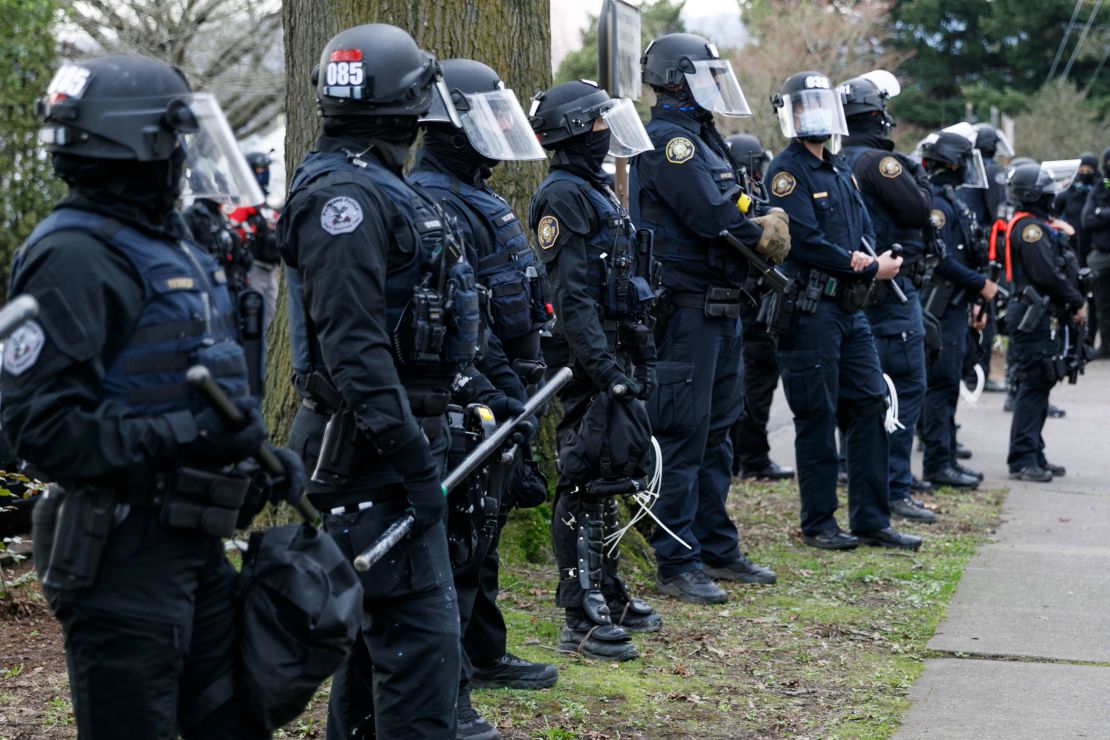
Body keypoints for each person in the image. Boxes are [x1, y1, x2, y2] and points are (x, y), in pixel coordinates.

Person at [2, 54, 304, 739]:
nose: (182, 157)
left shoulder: (168, 244)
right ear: (139, 143)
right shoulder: (74, 257)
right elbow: (40, 431)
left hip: (192, 544)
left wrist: (256, 456)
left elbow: (189, 379)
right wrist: (189, 434)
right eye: (175, 140)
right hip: (120, 558)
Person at [279, 24, 478, 737]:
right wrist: (415, 464)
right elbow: (356, 352)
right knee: (419, 653)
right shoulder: (347, 198)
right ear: (405, 104)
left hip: (382, 452)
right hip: (365, 459)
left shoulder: (370, 183)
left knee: (375, 655)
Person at [409, 58, 557, 739]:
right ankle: (454, 681)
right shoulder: (432, 199)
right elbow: (463, 315)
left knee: (486, 524)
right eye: (486, 121)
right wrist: (489, 388)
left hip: (510, 378)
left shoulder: (473, 192)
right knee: (462, 536)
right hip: (473, 387)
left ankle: (484, 651)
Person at [631, 33, 783, 605]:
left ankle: (716, 545)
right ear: (680, 79)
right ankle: (676, 558)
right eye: (707, 77)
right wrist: (760, 233)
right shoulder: (668, 141)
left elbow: (734, 201)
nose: (717, 88)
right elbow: (710, 214)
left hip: (722, 306)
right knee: (684, 433)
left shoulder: (704, 141)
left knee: (719, 431)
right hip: (686, 308)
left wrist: (760, 215)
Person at [529, 79, 662, 659]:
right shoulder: (562, 194)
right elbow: (572, 296)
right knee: (582, 472)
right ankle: (578, 610)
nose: (607, 133)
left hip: (611, 346)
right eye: (599, 124)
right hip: (586, 355)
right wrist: (604, 367)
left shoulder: (594, 190)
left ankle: (606, 586)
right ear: (576, 131)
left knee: (610, 470)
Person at [765, 70, 920, 552]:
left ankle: (872, 519)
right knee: (817, 413)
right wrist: (869, 268)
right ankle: (819, 523)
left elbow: (858, 233)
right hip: (811, 309)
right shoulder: (787, 172)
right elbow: (806, 241)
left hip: (851, 310)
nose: (813, 117)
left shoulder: (837, 169)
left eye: (819, 106)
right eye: (803, 108)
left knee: (871, 404)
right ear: (790, 115)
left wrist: (873, 261)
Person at [837, 71, 936, 524]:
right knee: (904, 386)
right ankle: (895, 486)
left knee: (864, 390)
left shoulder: (836, 159)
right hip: (892, 290)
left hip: (858, 289)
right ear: (877, 115)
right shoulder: (880, 163)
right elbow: (918, 211)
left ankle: (864, 478)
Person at [917, 131, 999, 489]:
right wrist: (979, 285)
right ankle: (938, 463)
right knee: (941, 383)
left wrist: (976, 298)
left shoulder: (951, 198)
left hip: (957, 304)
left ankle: (946, 457)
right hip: (941, 303)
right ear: (951, 162)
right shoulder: (937, 202)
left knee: (950, 380)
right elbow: (942, 259)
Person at [1004, 163, 1088, 480]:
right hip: (1031, 315)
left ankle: (1034, 454)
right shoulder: (1030, 230)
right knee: (1033, 383)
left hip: (1037, 314)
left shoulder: (1036, 225)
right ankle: (1023, 458)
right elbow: (1046, 275)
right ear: (1034, 196)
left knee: (1041, 382)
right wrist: (1076, 300)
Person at [725, 133, 794, 482]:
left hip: (752, 305)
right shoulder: (739, 202)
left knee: (752, 384)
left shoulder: (745, 199)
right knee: (754, 384)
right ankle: (752, 458)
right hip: (750, 307)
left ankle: (747, 456)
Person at [958, 124, 1010, 393]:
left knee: (964, 311)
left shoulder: (966, 168)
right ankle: (980, 374)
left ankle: (965, 370)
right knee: (984, 311)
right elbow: (999, 216)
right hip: (984, 250)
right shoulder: (992, 171)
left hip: (962, 248)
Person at [229, 150, 282, 336]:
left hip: (271, 270)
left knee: (272, 316)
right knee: (257, 319)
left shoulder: (264, 205)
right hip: (253, 270)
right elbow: (233, 232)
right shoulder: (242, 203)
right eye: (260, 169)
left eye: (266, 169)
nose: (265, 173)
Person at [1055, 153, 1100, 345]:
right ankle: (1073, 338)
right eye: (1081, 170)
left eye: (1088, 170)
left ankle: (1092, 338)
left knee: (1096, 299)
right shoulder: (1068, 193)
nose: (1084, 173)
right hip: (1073, 253)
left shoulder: (1102, 187)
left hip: (1096, 249)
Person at [1081, 147, 1110, 359]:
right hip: (1101, 255)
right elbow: (1087, 219)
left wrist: (1102, 213)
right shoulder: (1101, 187)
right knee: (1101, 305)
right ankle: (1105, 346)